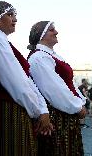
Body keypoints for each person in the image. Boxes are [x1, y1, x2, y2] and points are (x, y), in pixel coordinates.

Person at [0, 1, 53, 156]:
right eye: (10, 15)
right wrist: (38, 111)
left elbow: (23, 79)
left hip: (17, 106)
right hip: (12, 109)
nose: (15, 19)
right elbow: (17, 82)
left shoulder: (0, 39)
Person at [27, 21, 86, 156]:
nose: (56, 32)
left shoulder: (50, 55)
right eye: (51, 30)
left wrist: (81, 101)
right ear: (41, 35)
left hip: (64, 112)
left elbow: (69, 83)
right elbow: (54, 90)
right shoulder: (38, 57)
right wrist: (77, 106)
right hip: (57, 114)